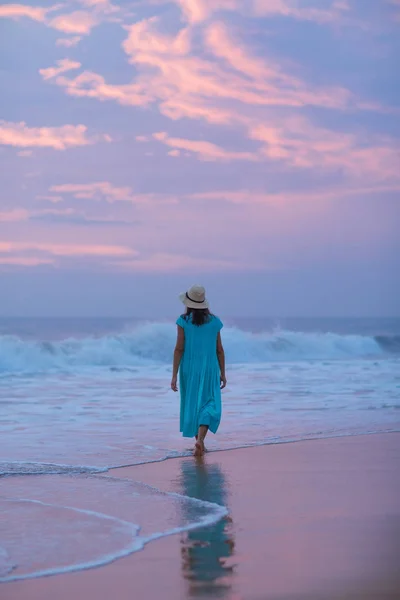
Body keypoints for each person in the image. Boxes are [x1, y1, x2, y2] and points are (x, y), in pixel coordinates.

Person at [171, 284, 227, 457]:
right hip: (210, 367)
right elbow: (219, 349)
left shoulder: (183, 321)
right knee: (210, 403)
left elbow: (179, 348)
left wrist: (174, 375)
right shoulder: (215, 322)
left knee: (195, 402)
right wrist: (223, 372)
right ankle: (200, 440)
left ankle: (199, 441)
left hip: (188, 367)